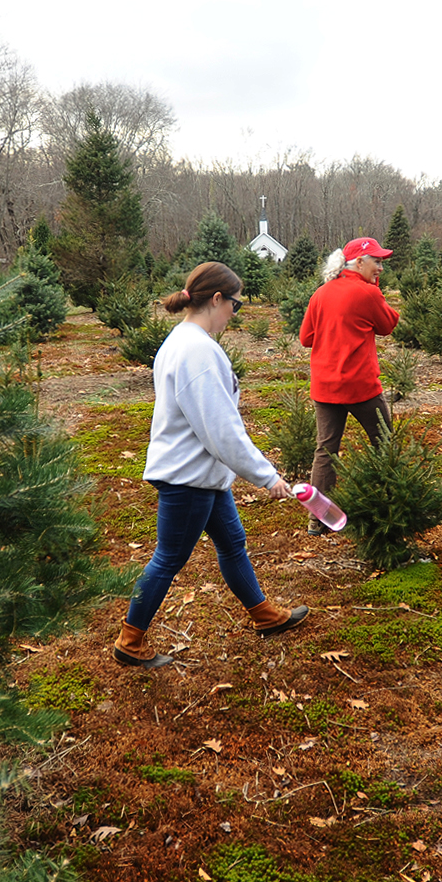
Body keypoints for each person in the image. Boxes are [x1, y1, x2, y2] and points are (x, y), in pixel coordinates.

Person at [115, 262, 309, 669]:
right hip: (188, 478)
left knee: (232, 542)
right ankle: (130, 641)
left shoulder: (183, 340)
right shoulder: (198, 351)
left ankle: (263, 615)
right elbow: (221, 431)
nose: (234, 316)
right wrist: (266, 476)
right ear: (217, 299)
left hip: (204, 476)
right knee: (168, 558)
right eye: (235, 306)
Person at [298, 236, 400, 534]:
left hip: (325, 387)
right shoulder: (366, 294)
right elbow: (388, 326)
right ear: (358, 262)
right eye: (377, 261)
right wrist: (373, 291)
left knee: (325, 450)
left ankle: (318, 520)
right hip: (360, 387)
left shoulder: (321, 294)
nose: (380, 267)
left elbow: (306, 339)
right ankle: (393, 504)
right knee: (384, 442)